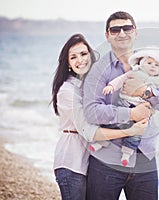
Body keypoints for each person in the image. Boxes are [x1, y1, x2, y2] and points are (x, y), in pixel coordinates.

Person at [83, 11, 159, 200]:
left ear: (136, 32)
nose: (122, 33)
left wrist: (145, 92)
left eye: (127, 28)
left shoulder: (152, 64)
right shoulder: (98, 69)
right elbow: (91, 111)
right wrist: (131, 114)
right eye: (115, 29)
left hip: (145, 158)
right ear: (107, 35)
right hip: (107, 160)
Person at [51, 33, 148, 200]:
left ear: (90, 54)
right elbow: (89, 130)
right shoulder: (67, 91)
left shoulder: (93, 84)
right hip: (72, 162)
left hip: (91, 162)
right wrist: (129, 131)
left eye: (83, 54)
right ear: (67, 63)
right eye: (73, 57)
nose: (80, 60)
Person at [89, 46, 159, 167]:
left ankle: (126, 154)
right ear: (142, 64)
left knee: (136, 133)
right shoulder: (135, 72)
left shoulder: (158, 81)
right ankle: (101, 142)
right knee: (114, 123)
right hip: (125, 103)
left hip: (143, 110)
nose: (153, 66)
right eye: (149, 63)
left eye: (156, 65)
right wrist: (112, 86)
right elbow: (121, 79)